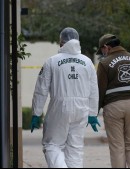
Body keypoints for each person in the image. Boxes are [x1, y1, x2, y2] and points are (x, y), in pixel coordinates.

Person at [30, 27, 100, 168]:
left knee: (52, 144)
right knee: (75, 148)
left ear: (60, 42)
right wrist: (92, 114)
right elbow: (94, 90)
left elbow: (41, 90)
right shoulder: (87, 62)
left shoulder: (52, 61)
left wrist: (36, 113)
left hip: (59, 107)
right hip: (81, 109)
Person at [96, 34, 130, 168]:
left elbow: (100, 90)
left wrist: (94, 111)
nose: (102, 54)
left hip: (113, 107)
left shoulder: (104, 63)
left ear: (106, 47)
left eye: (102, 50)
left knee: (117, 147)